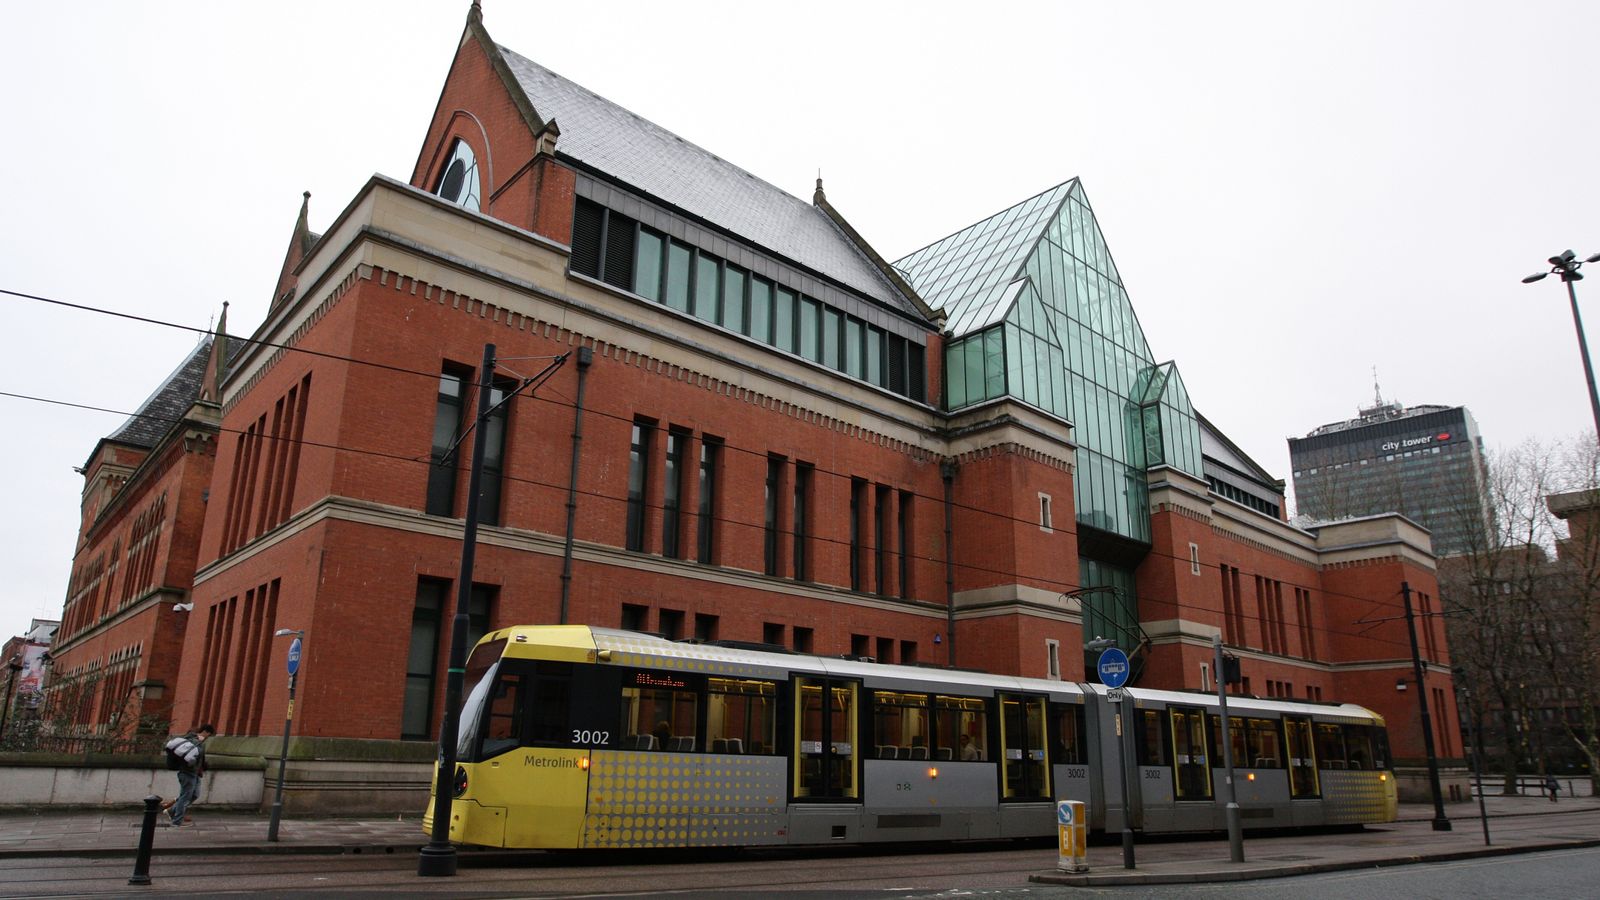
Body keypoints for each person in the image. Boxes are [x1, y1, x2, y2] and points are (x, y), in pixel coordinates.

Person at [163, 724, 216, 826]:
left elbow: (200, 759)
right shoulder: (195, 741)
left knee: (194, 795)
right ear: (205, 732)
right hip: (187, 772)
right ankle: (177, 821)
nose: (208, 737)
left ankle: (172, 810)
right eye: (208, 735)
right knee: (185, 796)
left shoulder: (196, 741)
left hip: (195, 773)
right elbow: (195, 757)